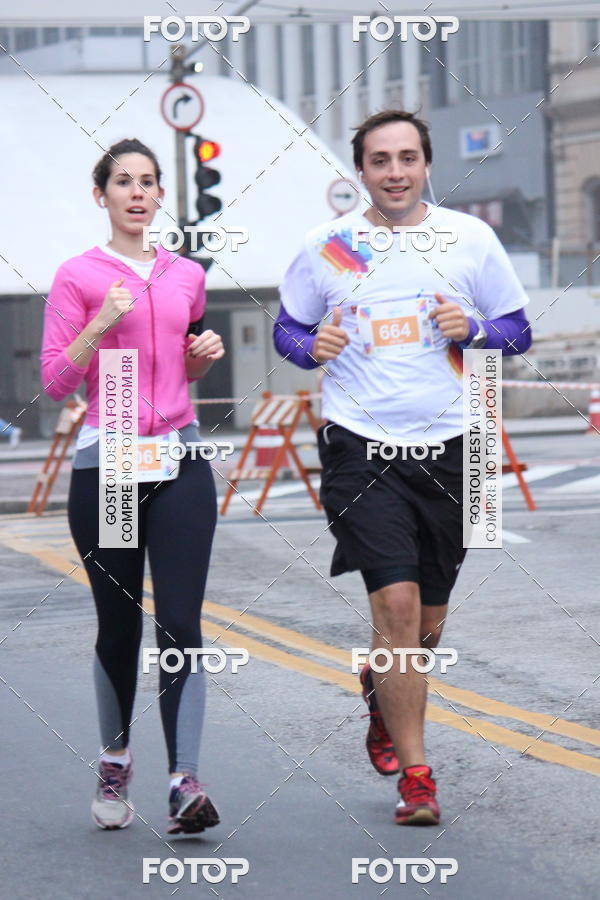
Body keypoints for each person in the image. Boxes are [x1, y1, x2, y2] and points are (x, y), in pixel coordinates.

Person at [274, 110, 531, 826]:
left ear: (426, 165)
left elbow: (517, 330)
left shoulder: (467, 239)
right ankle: (419, 779)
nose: (395, 172)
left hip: (456, 449)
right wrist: (309, 348)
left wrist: (474, 329)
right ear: (361, 170)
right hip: (360, 448)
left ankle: (379, 688)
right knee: (395, 608)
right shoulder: (331, 246)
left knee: (428, 627)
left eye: (407, 158)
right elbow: (288, 327)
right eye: (380, 160)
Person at [40, 139, 225, 834]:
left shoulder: (186, 275)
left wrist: (201, 357)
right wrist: (100, 323)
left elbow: (182, 365)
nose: (138, 193)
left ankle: (185, 781)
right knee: (120, 625)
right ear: (102, 196)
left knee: (180, 621)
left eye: (148, 182)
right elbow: (56, 381)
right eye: (123, 182)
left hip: (178, 457)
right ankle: (115, 757)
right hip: (112, 461)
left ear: (159, 196)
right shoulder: (78, 276)